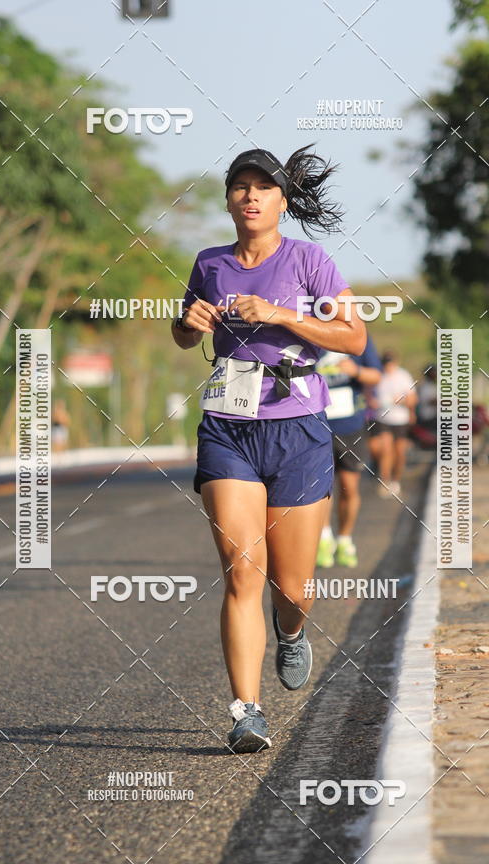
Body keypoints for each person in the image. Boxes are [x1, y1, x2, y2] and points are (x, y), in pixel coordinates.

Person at [171, 145, 365, 753]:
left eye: (263, 187)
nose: (250, 196)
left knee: (293, 588)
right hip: (228, 428)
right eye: (240, 187)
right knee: (241, 573)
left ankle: (293, 632)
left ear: (283, 199)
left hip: (299, 431)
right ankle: (246, 711)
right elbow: (183, 332)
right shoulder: (209, 262)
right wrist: (189, 324)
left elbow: (354, 336)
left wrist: (280, 313)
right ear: (228, 199)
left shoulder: (309, 260)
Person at [315, 336, 382, 567]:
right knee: (321, 488)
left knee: (349, 487)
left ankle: (344, 539)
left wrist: (355, 371)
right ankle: (324, 539)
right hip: (317, 425)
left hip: (350, 426)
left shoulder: (358, 337)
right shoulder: (309, 332)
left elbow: (376, 375)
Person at [373, 351, 417, 497]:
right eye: (386, 364)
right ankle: (385, 481)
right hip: (383, 419)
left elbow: (412, 399)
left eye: (390, 364)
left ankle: (396, 480)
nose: (388, 367)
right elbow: (369, 394)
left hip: (400, 420)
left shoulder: (403, 376)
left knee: (399, 452)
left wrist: (403, 403)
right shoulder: (379, 375)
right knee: (385, 450)